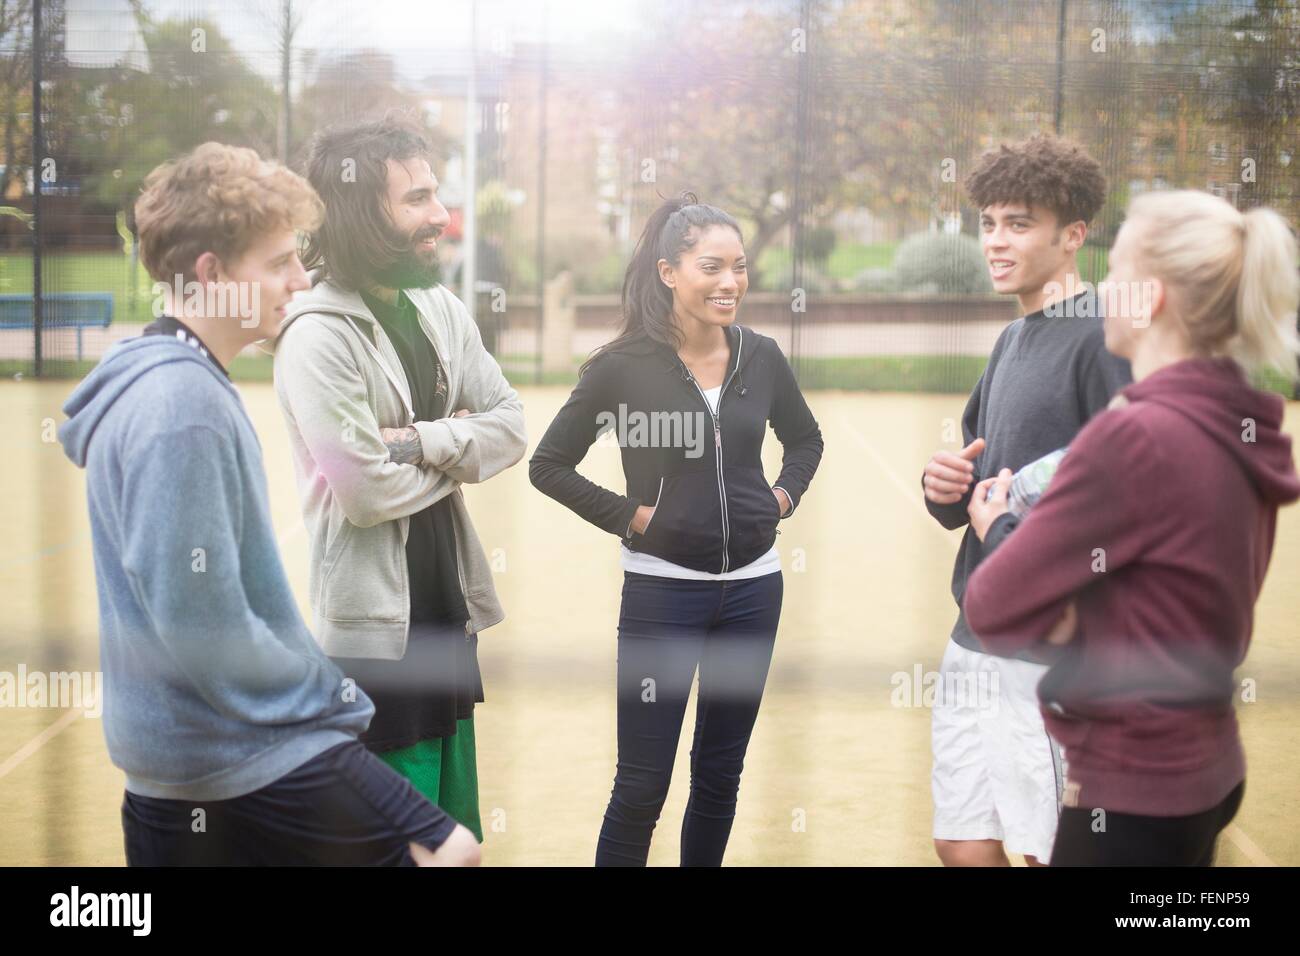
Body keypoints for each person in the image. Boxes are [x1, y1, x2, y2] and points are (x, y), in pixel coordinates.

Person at [58, 142, 478, 866]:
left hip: (203, 767)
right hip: (232, 771)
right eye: (279, 261)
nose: (300, 277)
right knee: (451, 850)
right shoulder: (182, 405)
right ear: (213, 275)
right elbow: (206, 628)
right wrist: (333, 696)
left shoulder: (172, 380)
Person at [965, 190, 1300, 866]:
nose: (1101, 290)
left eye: (1114, 273)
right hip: (1209, 765)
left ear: (1147, 299)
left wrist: (997, 523)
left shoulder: (1134, 436)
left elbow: (993, 606)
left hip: (1133, 791)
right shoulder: (1238, 419)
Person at [529, 195, 824, 866]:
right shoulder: (622, 367)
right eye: (711, 267)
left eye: (740, 268)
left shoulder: (762, 356)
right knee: (642, 784)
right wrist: (635, 517)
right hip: (662, 596)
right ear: (668, 272)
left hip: (754, 593)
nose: (730, 283)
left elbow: (805, 439)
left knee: (720, 775)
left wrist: (780, 498)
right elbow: (548, 466)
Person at [274, 114, 527, 844]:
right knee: (393, 845)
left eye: (435, 194)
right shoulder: (316, 335)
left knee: (457, 836)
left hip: (449, 612)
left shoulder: (438, 307)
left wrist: (419, 443)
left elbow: (510, 426)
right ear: (360, 209)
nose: (439, 215)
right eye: (416, 198)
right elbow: (363, 493)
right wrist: (459, 458)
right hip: (372, 640)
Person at [920, 134, 1131, 867]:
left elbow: (1125, 490)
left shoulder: (1103, 335)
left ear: (1072, 236)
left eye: (1019, 223)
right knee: (961, 839)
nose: (996, 241)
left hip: (1049, 643)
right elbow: (979, 474)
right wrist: (941, 486)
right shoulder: (1012, 338)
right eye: (988, 223)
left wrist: (1008, 520)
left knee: (1042, 848)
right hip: (975, 627)